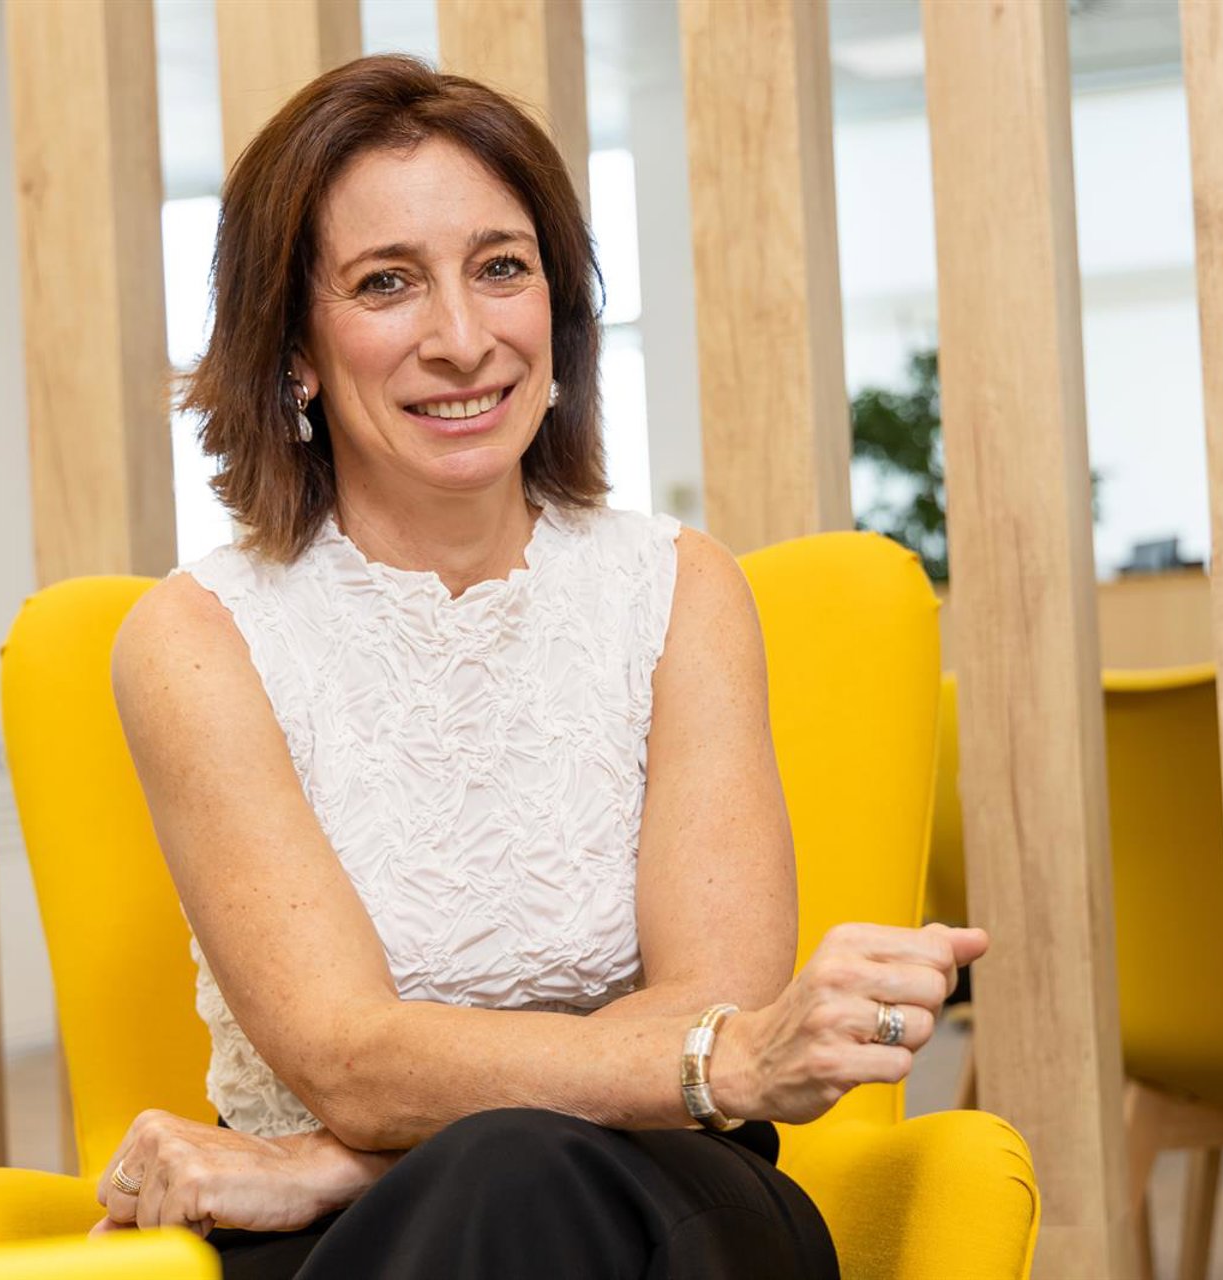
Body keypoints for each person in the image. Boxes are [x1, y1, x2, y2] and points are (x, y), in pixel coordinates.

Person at [101, 54, 988, 1280]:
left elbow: (714, 1000)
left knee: (519, 1173)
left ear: (559, 311)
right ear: (292, 346)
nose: (463, 339)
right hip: (352, 1250)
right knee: (501, 1180)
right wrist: (702, 1061)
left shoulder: (678, 588)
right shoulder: (198, 639)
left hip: (667, 1192)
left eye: (501, 268)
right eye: (386, 282)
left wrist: (337, 1160)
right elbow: (350, 1058)